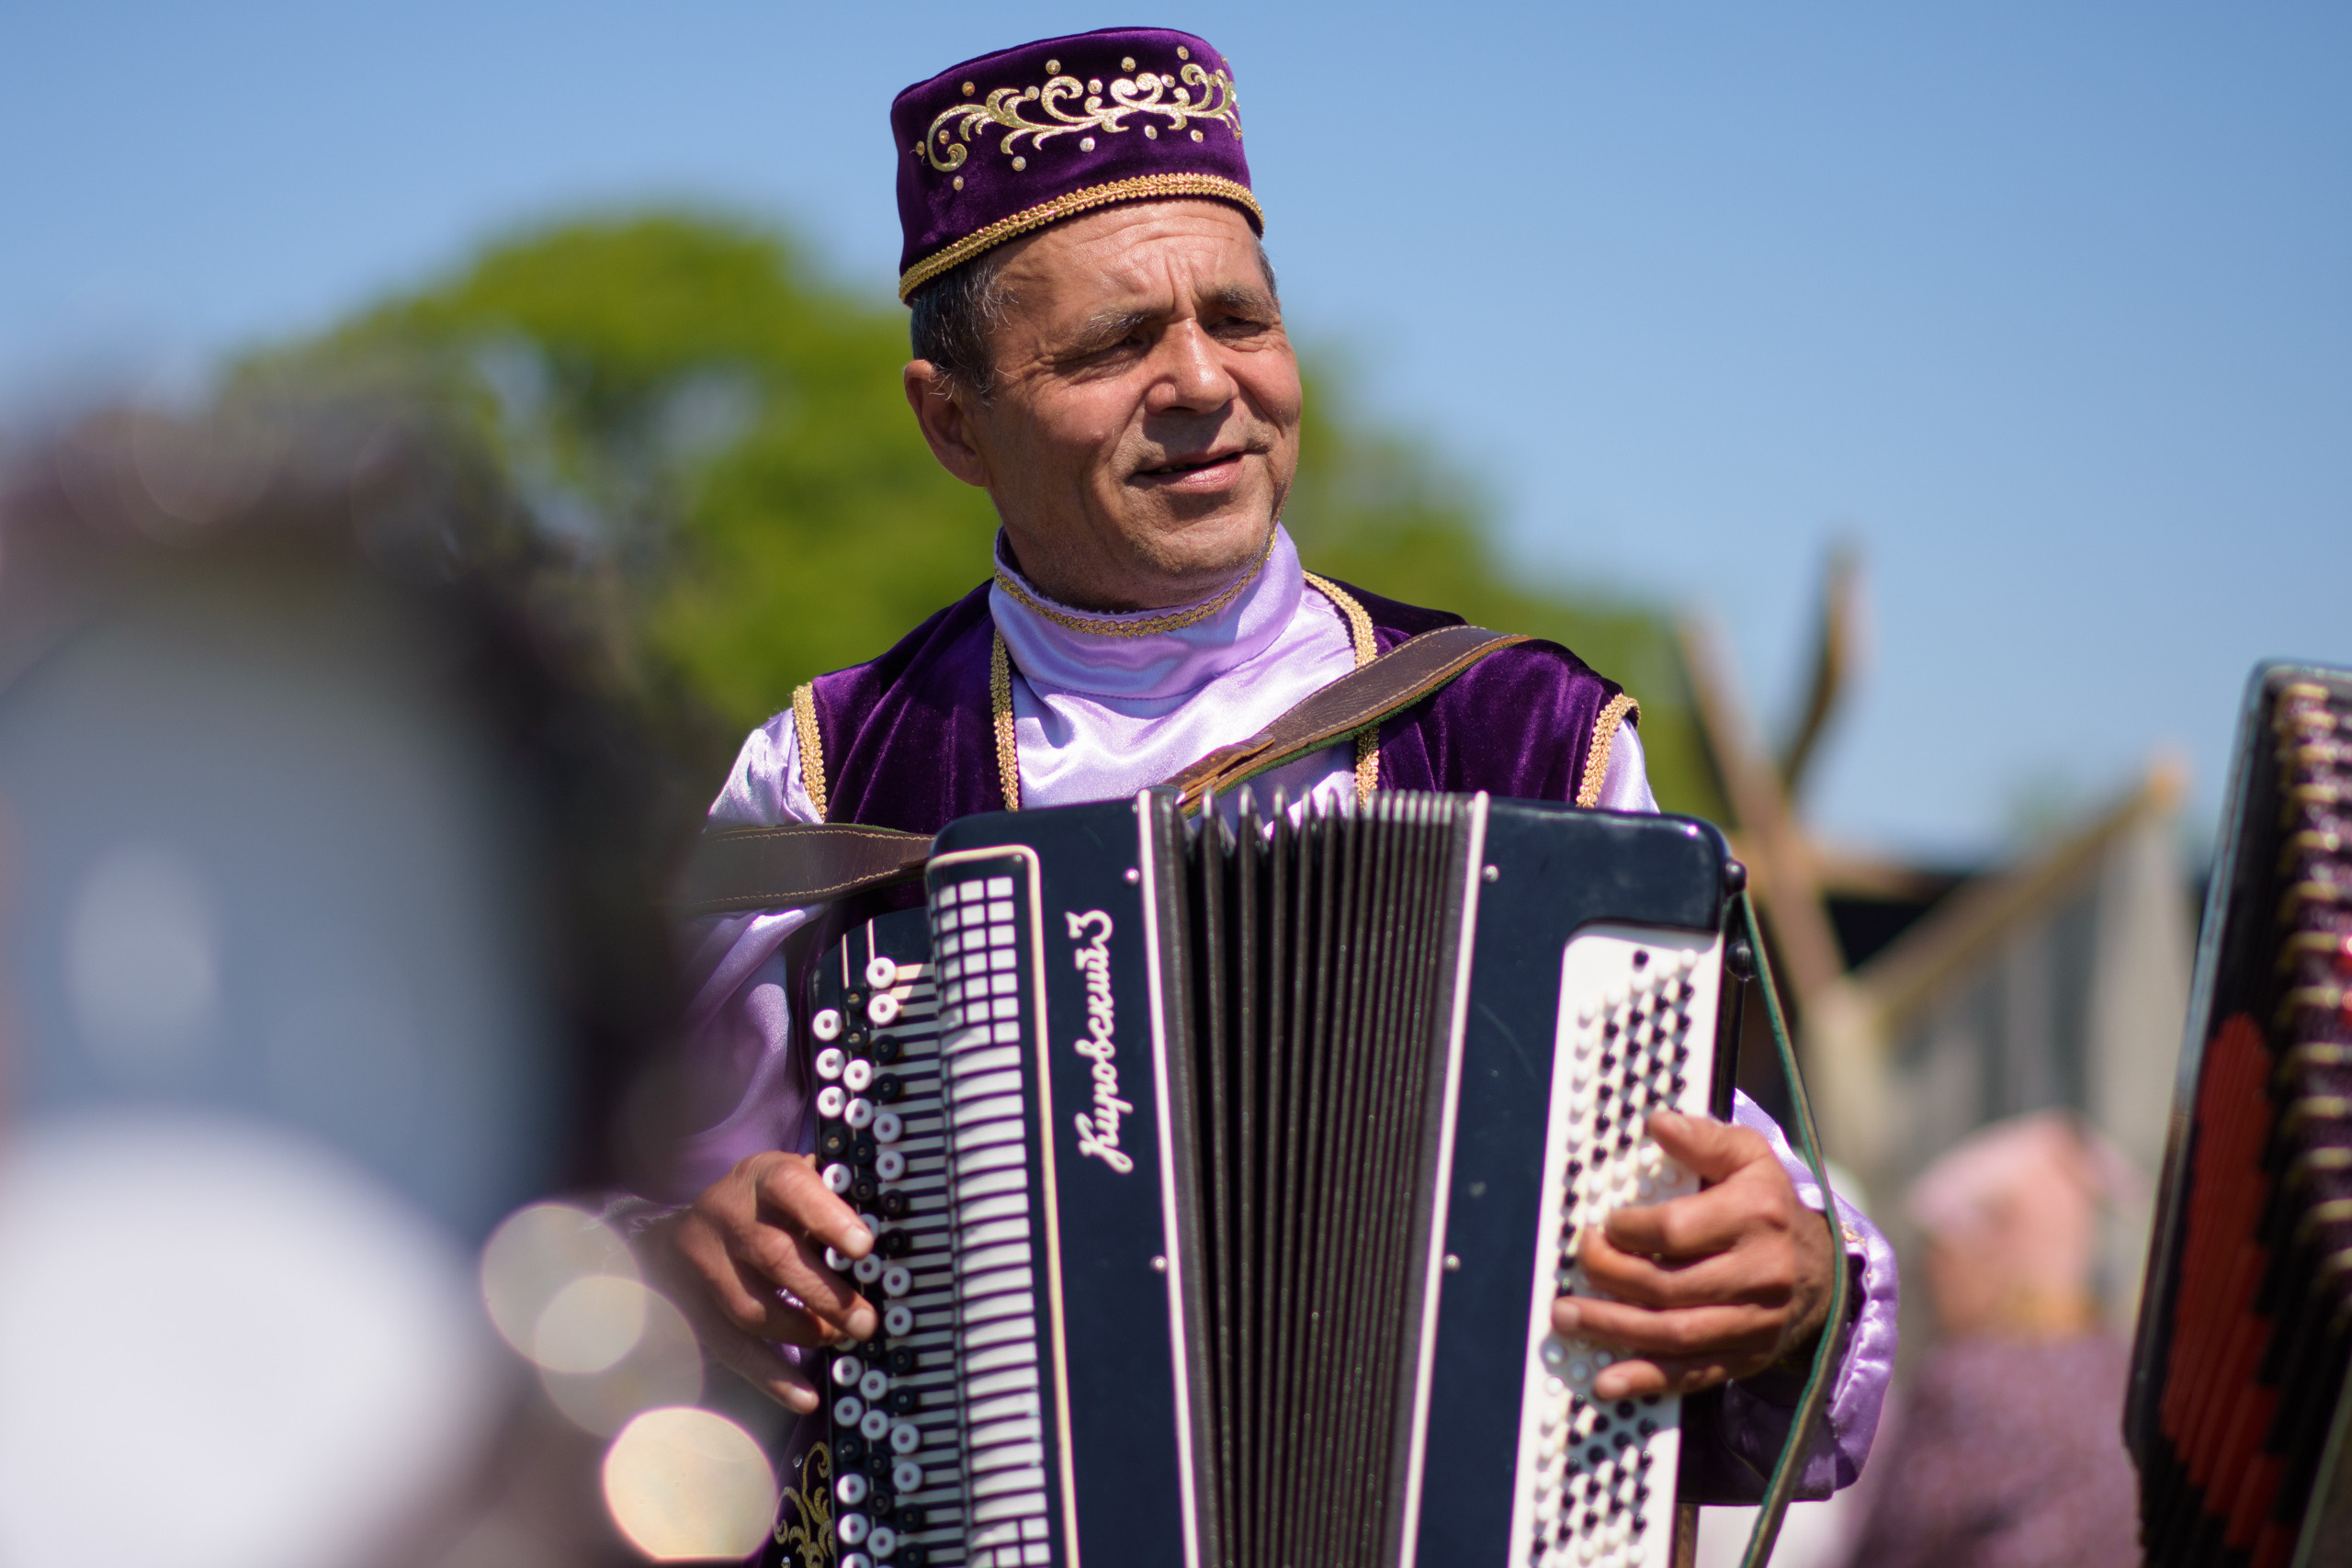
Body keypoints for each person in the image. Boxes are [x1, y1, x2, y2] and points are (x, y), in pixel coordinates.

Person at [646, 25, 1898, 1508]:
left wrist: (1801, 1266)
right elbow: (598, 1228)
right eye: (1112, 346)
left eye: (1239, 319)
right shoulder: (824, 778)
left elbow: (1739, 1196)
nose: (1200, 383)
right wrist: (677, 1261)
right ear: (951, 422)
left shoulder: (1530, 738)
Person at [1847, 1112, 2141, 1567]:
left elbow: (1890, 1549)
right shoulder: (2123, 1365)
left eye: (1942, 1253)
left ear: (1992, 1244)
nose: (1930, 1282)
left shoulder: (1970, 1380)